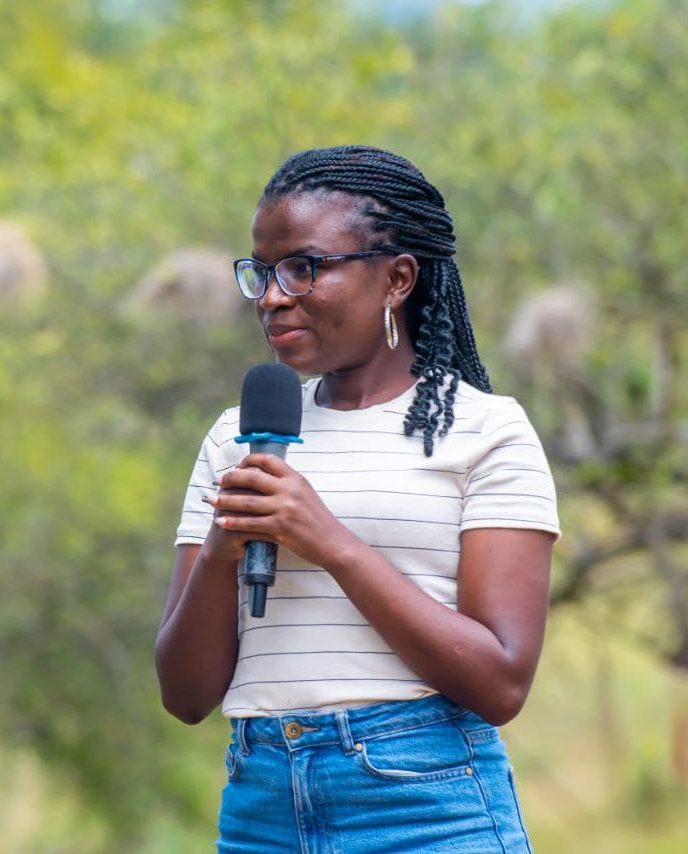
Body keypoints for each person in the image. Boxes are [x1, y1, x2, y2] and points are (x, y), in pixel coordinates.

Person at [154, 145, 560, 852]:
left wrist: (329, 542)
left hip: (426, 807)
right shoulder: (236, 439)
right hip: (263, 807)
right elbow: (185, 696)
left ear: (397, 277)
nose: (274, 296)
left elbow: (501, 683)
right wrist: (225, 545)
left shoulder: (487, 432)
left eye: (304, 268)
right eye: (263, 271)